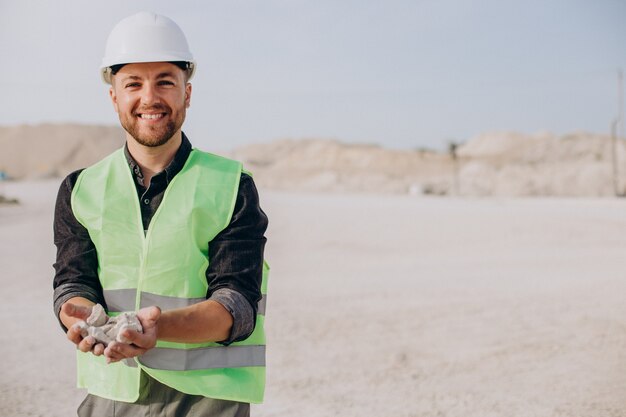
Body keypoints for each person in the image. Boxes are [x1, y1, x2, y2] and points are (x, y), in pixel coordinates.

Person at [52, 11, 268, 417]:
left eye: (165, 82)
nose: (149, 97)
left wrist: (156, 329)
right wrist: (77, 316)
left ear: (187, 92)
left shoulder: (231, 185)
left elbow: (237, 304)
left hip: (207, 401)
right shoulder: (81, 188)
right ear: (114, 96)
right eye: (133, 83)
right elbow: (72, 281)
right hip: (111, 394)